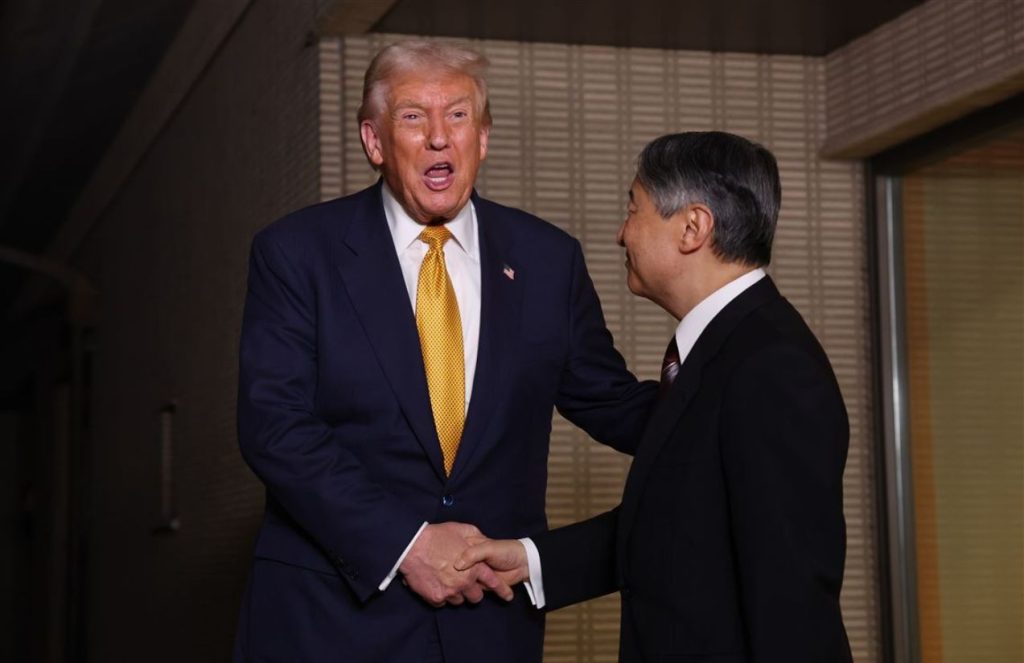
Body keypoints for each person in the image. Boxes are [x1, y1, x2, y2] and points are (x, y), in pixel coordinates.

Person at [232, 41, 656, 663]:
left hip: (488, 627)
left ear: (481, 138)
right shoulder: (297, 254)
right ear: (374, 141)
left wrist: (727, 385)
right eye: (413, 116)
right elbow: (275, 426)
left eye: (457, 115)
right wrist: (406, 544)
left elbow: (611, 401)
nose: (438, 137)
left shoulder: (547, 259)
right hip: (330, 623)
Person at [457, 131, 854, 662]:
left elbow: (794, 603)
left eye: (633, 209)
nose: (621, 234)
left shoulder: (772, 368)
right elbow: (682, 524)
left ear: (692, 227)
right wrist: (532, 560)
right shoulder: (723, 351)